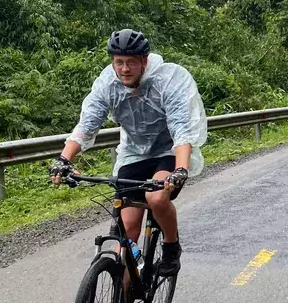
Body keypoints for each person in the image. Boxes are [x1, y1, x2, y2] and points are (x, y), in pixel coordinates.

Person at [49, 29, 207, 277]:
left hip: (169, 151)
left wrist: (180, 169)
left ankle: (171, 245)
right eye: (119, 62)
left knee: (156, 198)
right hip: (133, 153)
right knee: (128, 232)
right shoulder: (107, 85)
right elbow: (87, 125)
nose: (124, 69)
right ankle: (121, 298)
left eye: (131, 62)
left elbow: (181, 129)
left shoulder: (168, 80)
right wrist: (63, 159)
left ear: (144, 61)